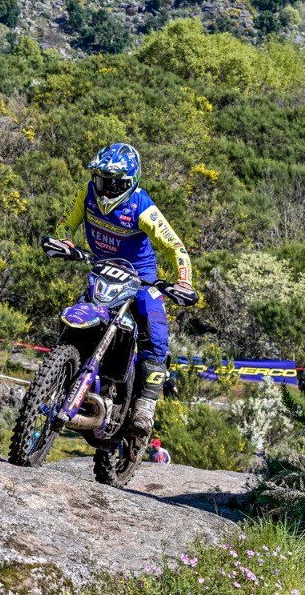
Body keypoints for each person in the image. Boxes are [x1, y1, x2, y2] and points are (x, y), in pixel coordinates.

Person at [49, 142, 196, 439]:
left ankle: (145, 405)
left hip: (141, 278)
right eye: (101, 180)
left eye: (113, 183)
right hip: (102, 271)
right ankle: (58, 374)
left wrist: (183, 282)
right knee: (75, 316)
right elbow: (66, 223)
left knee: (155, 330)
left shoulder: (143, 207)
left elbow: (175, 247)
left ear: (129, 183)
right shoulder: (87, 194)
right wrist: (64, 241)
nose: (104, 189)